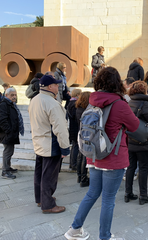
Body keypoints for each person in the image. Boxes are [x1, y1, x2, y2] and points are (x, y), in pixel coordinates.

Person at [64, 67, 139, 240]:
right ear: (117, 83)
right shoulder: (120, 104)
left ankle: (74, 229)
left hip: (94, 154)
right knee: (108, 200)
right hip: (113, 157)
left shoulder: (93, 100)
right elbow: (134, 126)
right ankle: (104, 236)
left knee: (92, 193)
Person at [29, 74, 70, 214]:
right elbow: (60, 128)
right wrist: (65, 147)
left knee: (39, 173)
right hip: (50, 144)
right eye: (56, 85)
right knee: (49, 176)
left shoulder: (35, 100)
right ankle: (48, 205)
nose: (58, 87)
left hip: (39, 142)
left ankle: (40, 198)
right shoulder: (51, 103)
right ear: (49, 87)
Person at [125, 81, 148, 205]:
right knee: (143, 168)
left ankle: (128, 193)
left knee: (131, 167)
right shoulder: (145, 103)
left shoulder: (129, 102)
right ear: (143, 90)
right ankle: (143, 195)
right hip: (142, 141)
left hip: (130, 139)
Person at [0, 88, 24, 179]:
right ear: (6, 95)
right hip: (7, 133)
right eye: (12, 95)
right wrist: (9, 131)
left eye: (15, 95)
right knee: (8, 152)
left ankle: (8, 167)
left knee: (10, 151)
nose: (14, 97)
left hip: (11, 133)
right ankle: (5, 171)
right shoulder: (4, 104)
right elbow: (1, 120)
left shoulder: (11, 104)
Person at [75, 91, 91, 187]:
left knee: (80, 156)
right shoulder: (85, 111)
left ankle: (80, 176)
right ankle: (83, 178)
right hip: (85, 134)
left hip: (80, 133)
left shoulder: (78, 108)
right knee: (84, 156)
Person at [67, 89, 82, 171]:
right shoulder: (74, 104)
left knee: (74, 146)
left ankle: (72, 163)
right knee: (75, 146)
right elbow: (74, 116)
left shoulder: (70, 103)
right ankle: (74, 164)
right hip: (75, 128)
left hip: (73, 128)